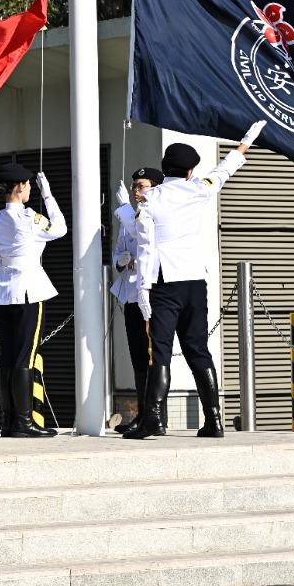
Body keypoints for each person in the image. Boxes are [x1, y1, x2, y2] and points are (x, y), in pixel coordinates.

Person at [124, 123, 263, 441]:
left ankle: (153, 420)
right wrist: (245, 142)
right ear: (189, 171)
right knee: (198, 349)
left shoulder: (150, 199)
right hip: (194, 281)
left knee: (158, 351)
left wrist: (143, 287)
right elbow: (225, 168)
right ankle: (214, 420)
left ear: (164, 169)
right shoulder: (201, 187)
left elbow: (145, 245)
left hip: (163, 281)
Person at [0, 161, 67, 439]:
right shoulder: (29, 217)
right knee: (25, 356)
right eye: (30, 185)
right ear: (20, 187)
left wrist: (11, 268)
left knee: (8, 356)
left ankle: (9, 421)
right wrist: (48, 195)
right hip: (28, 291)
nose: (31, 188)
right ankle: (24, 422)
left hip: (4, 292)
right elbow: (60, 228)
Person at [110, 167, 162, 433]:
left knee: (152, 357)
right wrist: (120, 262)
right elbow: (119, 250)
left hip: (150, 294)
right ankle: (143, 414)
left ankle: (155, 417)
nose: (135, 191)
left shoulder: (155, 211)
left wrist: (124, 208)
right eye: (134, 186)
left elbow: (143, 235)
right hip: (131, 293)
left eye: (140, 186)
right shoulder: (129, 216)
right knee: (138, 357)